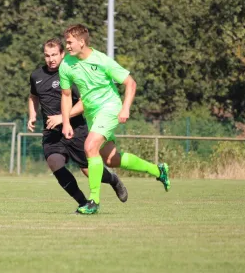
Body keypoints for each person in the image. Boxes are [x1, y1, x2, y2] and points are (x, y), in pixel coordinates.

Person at [59, 25, 170, 215]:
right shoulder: (66, 64)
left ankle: (93, 201)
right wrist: (66, 122)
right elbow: (67, 96)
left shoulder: (102, 60)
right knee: (111, 159)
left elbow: (130, 83)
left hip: (110, 108)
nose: (66, 45)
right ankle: (158, 170)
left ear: (81, 42)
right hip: (92, 114)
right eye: (66, 42)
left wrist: (125, 108)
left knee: (90, 147)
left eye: (69, 42)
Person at [29, 38, 128, 211]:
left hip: (76, 129)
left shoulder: (71, 72)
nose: (51, 59)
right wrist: (32, 115)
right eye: (47, 55)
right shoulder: (36, 76)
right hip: (52, 132)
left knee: (88, 170)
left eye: (54, 55)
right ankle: (83, 202)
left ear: (62, 54)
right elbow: (33, 96)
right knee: (54, 163)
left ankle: (113, 180)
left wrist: (62, 117)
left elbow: (85, 101)